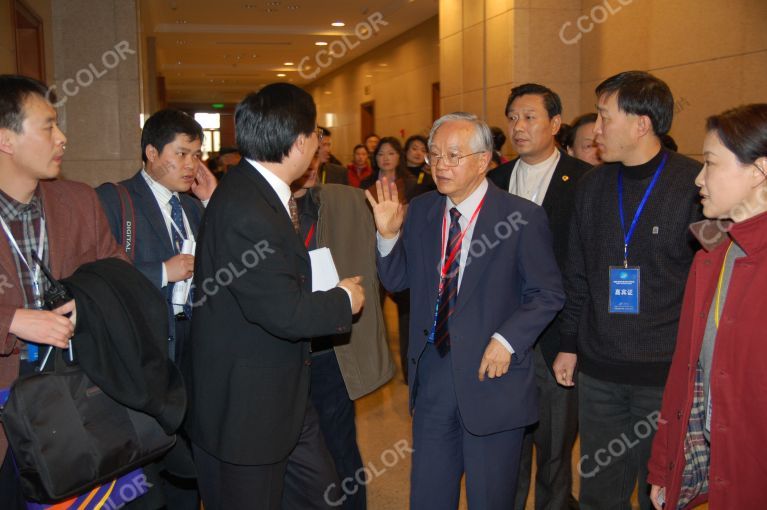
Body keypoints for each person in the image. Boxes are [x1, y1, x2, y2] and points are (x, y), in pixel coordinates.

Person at [367, 112, 565, 509]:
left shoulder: (521, 217)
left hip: (492, 376)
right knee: (428, 493)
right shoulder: (422, 211)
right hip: (435, 372)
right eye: (435, 155)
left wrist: (507, 340)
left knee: (490, 496)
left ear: (483, 160)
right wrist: (388, 236)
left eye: (453, 156)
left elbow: (547, 293)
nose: (440, 165)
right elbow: (399, 280)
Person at [185, 83, 365, 510]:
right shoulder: (250, 208)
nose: (319, 144)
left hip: (282, 396)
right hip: (248, 411)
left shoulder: (252, 190)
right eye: (316, 134)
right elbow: (284, 311)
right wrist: (344, 298)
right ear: (300, 141)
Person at [553, 71, 702, 510]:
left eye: (604, 117)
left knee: (660, 494)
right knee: (600, 491)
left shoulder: (693, 186)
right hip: (600, 373)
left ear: (641, 123)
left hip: (666, 375)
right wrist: (569, 344)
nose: (595, 130)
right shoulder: (593, 186)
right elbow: (577, 271)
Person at [0, 74, 128, 507]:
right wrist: (12, 320)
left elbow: (118, 274)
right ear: (5, 139)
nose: (62, 137)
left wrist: (86, 300)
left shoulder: (78, 201)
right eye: (48, 126)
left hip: (73, 405)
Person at [96, 109, 218, 508]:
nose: (191, 165)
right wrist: (161, 272)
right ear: (151, 152)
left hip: (192, 339)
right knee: (149, 452)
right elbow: (96, 276)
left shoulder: (194, 207)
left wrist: (213, 200)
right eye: (181, 154)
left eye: (197, 155)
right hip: (146, 346)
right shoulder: (114, 199)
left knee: (189, 448)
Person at [648, 103, 767, 509]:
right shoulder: (711, 255)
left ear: (758, 170)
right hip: (722, 468)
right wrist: (665, 467)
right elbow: (686, 372)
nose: (698, 178)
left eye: (711, 163)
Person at [489, 83, 591, 510]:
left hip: (555, 340)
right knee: (508, 446)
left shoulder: (584, 181)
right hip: (502, 335)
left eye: (530, 117)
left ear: (555, 123)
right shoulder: (492, 180)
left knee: (553, 450)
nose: (519, 126)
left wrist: (572, 341)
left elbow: (584, 268)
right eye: (513, 117)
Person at [293, 153, 395, 510]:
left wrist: (390, 232)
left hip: (328, 351)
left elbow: (392, 264)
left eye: (310, 157)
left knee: (338, 444)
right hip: (279, 352)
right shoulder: (260, 209)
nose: (305, 167)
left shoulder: (343, 202)